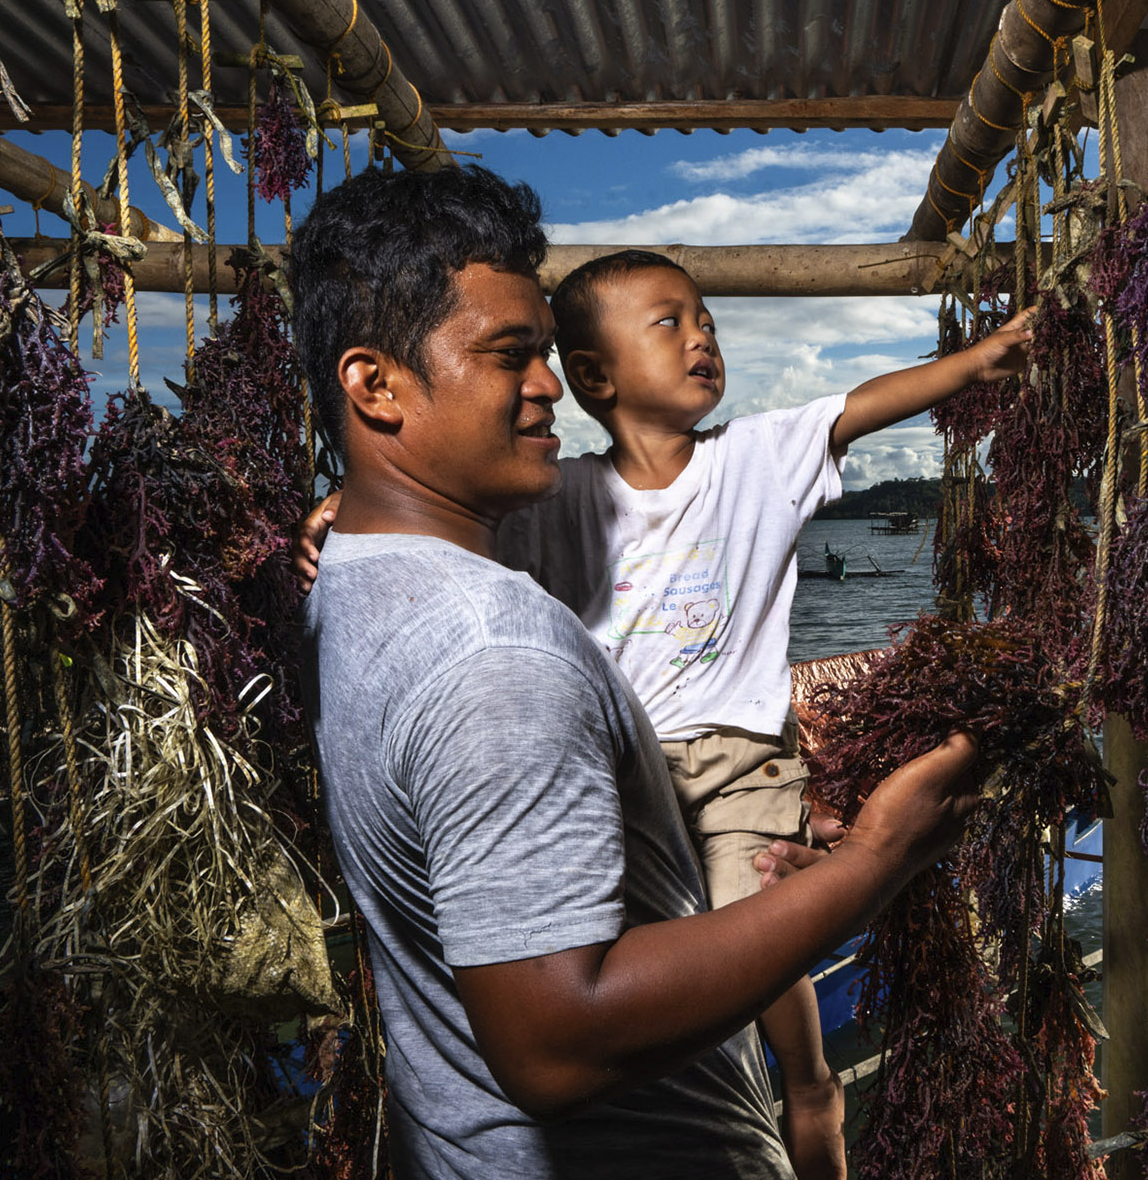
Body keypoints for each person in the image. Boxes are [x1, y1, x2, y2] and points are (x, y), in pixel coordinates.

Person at [292, 164, 985, 1179]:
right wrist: (876, 860)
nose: (546, 387)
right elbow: (558, 1042)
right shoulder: (497, 654)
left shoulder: (350, 575)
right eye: (510, 355)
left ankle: (807, 1085)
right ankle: (812, 1085)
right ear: (375, 384)